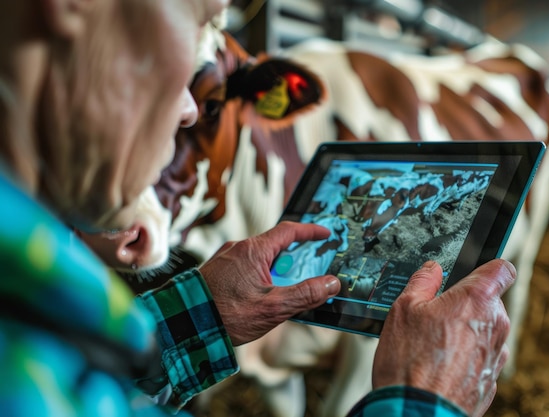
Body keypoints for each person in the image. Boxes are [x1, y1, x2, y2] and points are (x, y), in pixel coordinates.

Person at [0, 1, 514, 416]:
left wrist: (206, 314)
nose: (185, 109)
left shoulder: (38, 306)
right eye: (199, 17)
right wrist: (423, 404)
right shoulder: (22, 374)